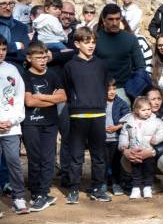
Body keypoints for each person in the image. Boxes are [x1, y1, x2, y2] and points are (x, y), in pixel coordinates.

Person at [63, 27, 111, 204]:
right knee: (76, 156)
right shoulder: (69, 66)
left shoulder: (101, 64)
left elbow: (104, 85)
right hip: (78, 116)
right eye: (86, 42)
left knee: (99, 156)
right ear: (77, 44)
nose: (91, 45)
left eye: (93, 42)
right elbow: (68, 89)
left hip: (98, 115)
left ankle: (98, 188)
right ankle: (73, 188)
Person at [22, 42, 66, 212]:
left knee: (48, 159)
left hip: (50, 123)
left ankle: (43, 193)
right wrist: (51, 98)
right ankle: (35, 193)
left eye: (45, 57)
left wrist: (41, 96)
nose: (42, 60)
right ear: (29, 58)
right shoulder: (25, 76)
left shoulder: (53, 75)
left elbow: (62, 97)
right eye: (38, 57)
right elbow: (29, 101)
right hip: (31, 123)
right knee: (35, 159)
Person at [120, 88, 163, 193]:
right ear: (144, 100)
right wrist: (126, 150)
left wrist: (152, 151)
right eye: (153, 99)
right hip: (143, 149)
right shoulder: (133, 117)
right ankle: (152, 181)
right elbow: (124, 135)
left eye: (159, 98)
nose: (157, 102)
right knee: (126, 160)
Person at [94, 4, 145, 103]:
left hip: (124, 89)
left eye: (117, 19)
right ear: (103, 20)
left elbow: (140, 66)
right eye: (111, 19)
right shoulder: (95, 39)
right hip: (100, 88)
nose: (115, 22)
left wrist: (134, 89)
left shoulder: (130, 39)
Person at [118, 96, 163, 199]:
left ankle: (147, 188)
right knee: (136, 171)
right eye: (143, 110)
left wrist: (157, 138)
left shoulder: (156, 121)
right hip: (135, 151)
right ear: (136, 110)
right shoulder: (129, 121)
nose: (147, 112)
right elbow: (124, 134)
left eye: (148, 109)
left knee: (148, 170)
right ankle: (136, 188)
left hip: (148, 150)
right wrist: (123, 145)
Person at [0, 35, 28, 215]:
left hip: (11, 127)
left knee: (14, 163)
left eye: (3, 49)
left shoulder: (13, 70)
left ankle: (19, 197)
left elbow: (19, 99)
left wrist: (11, 120)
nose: (1, 53)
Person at [105, 78, 130, 195]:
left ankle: (116, 184)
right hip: (102, 139)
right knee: (103, 162)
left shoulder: (121, 103)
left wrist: (116, 127)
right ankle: (102, 183)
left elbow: (126, 119)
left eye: (114, 89)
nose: (112, 92)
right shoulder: (98, 103)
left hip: (116, 138)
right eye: (108, 89)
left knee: (115, 162)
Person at [0, 0, 31, 69]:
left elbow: (25, 53)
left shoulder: (21, 27)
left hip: (16, 70)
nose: (8, 7)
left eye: (11, 4)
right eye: (3, 4)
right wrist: (16, 45)